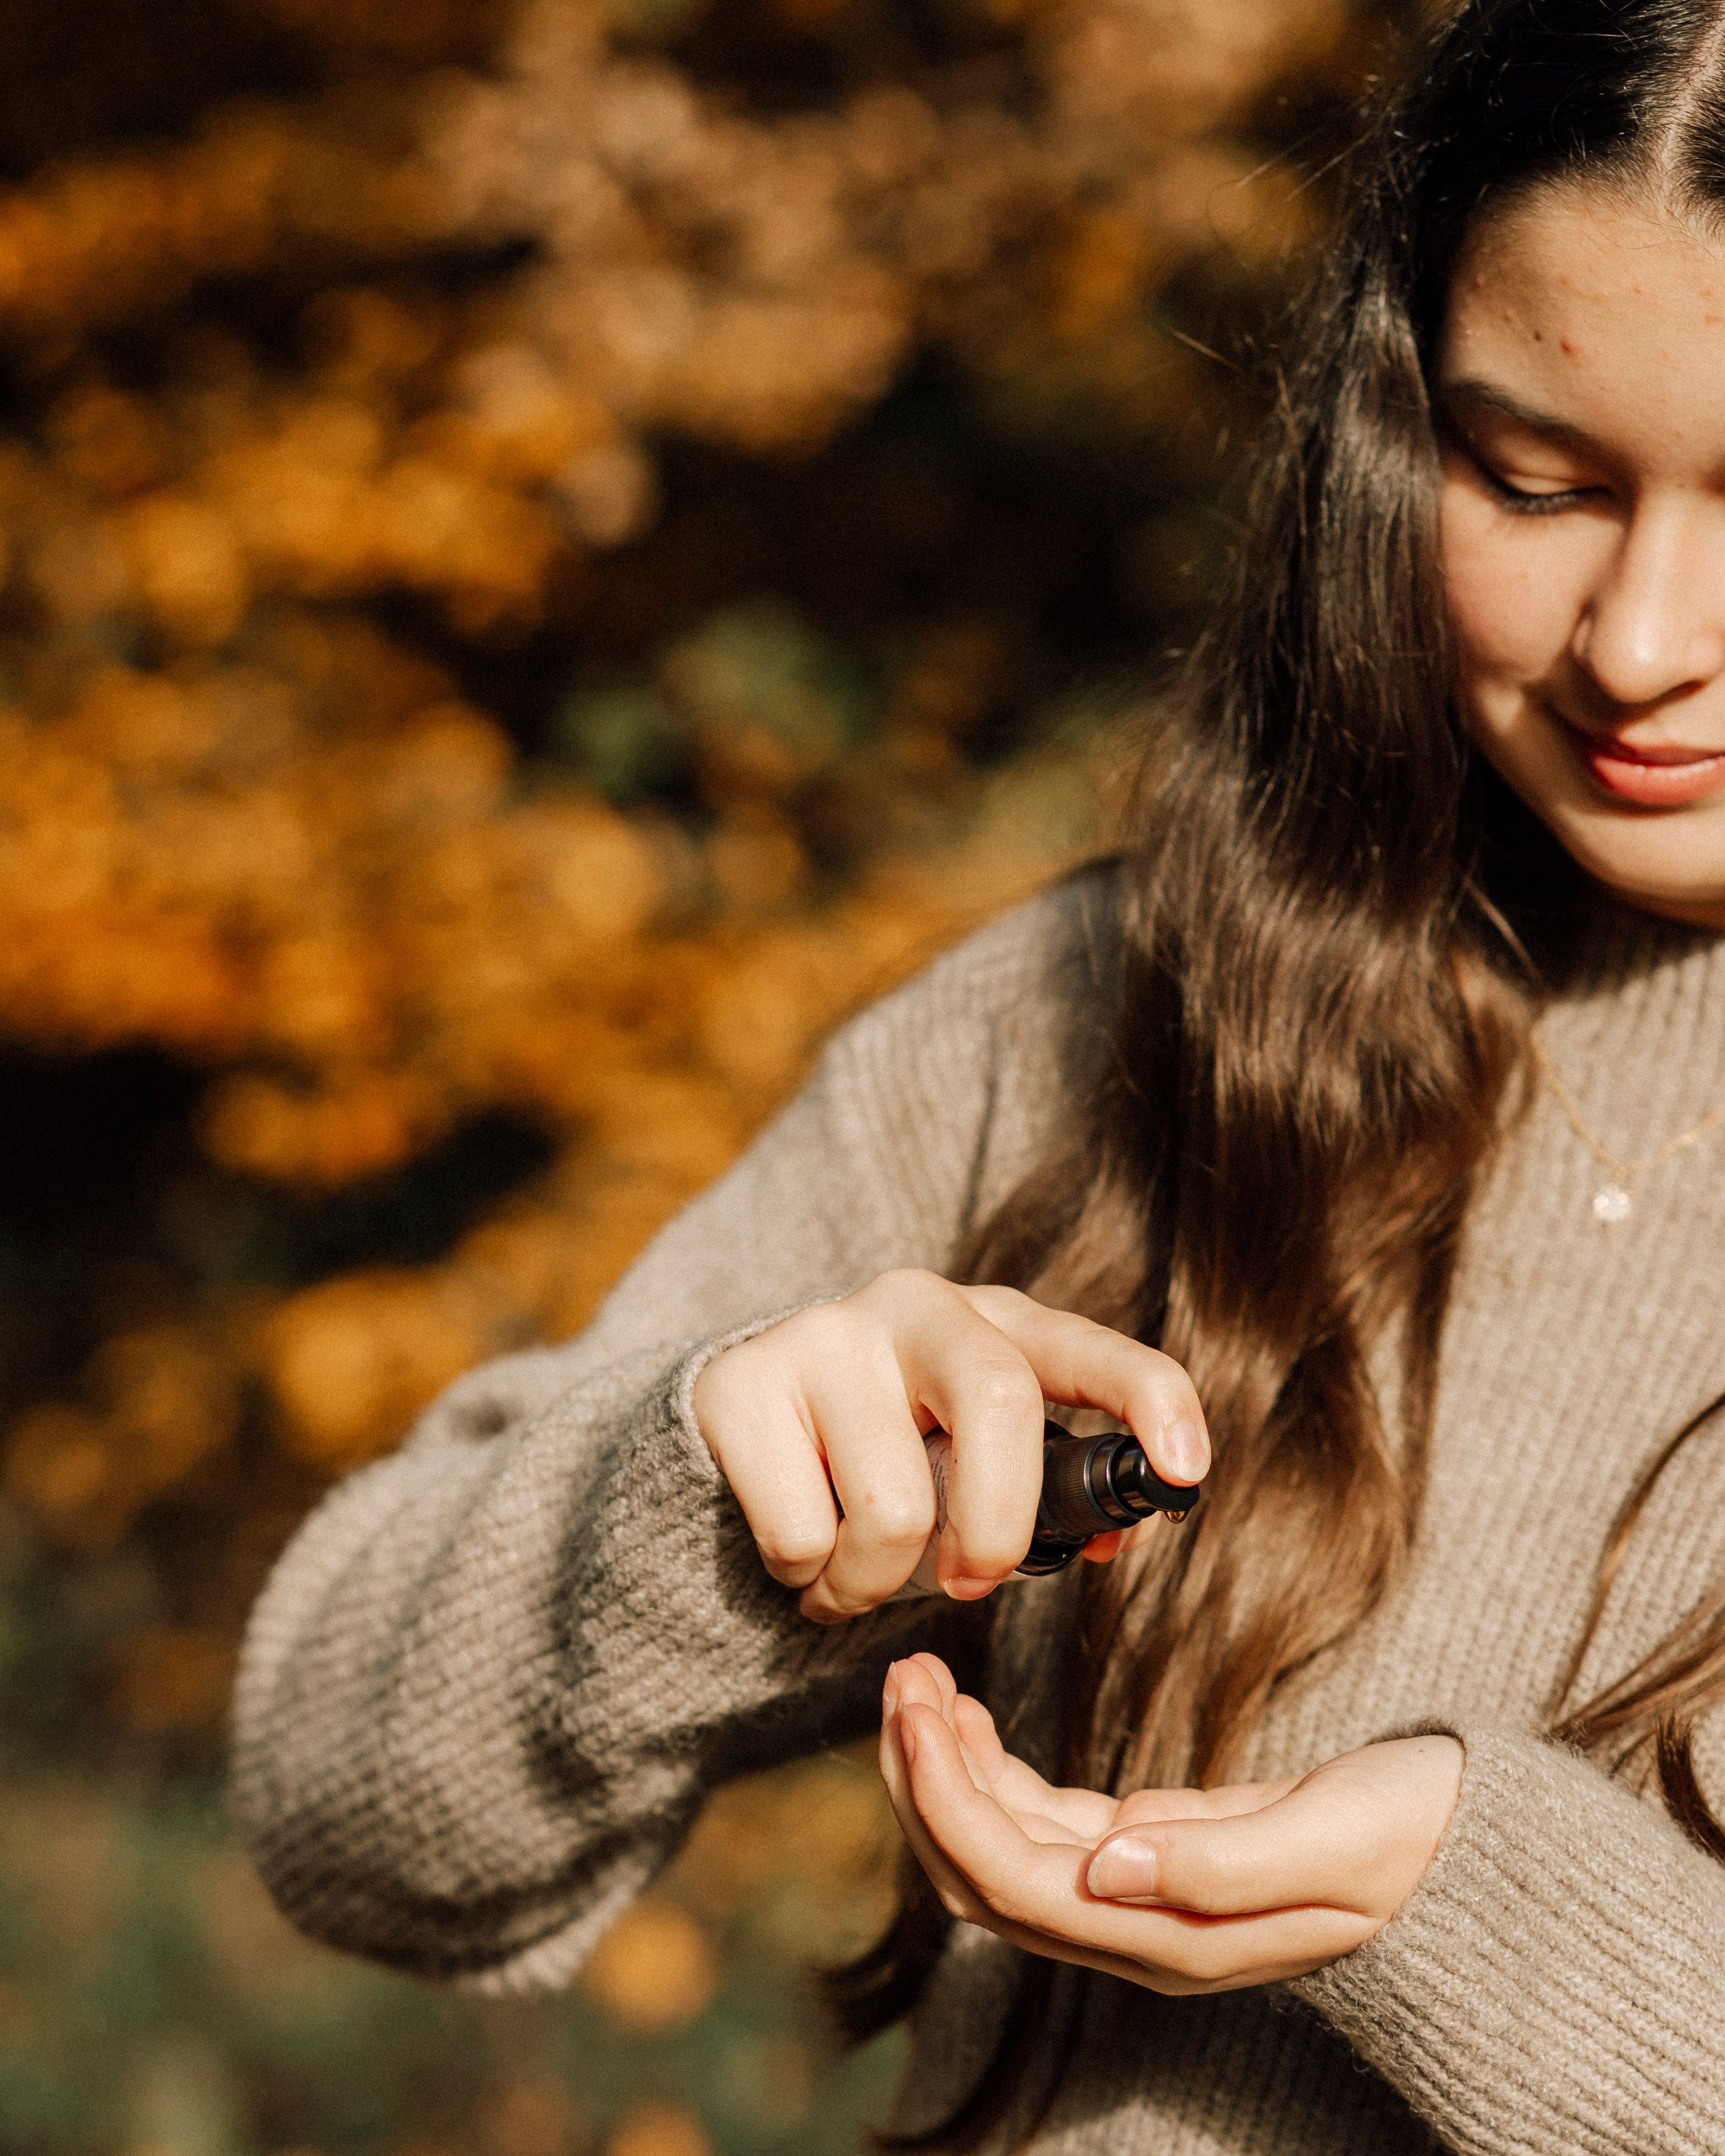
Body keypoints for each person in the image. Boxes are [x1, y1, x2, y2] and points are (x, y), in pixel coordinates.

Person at [230, 2, 1725, 2148]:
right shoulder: (1108, 1019)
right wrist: (686, 1510)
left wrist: (1470, 1902)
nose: (1645, 638)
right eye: (1536, 477)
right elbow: (335, 1815)